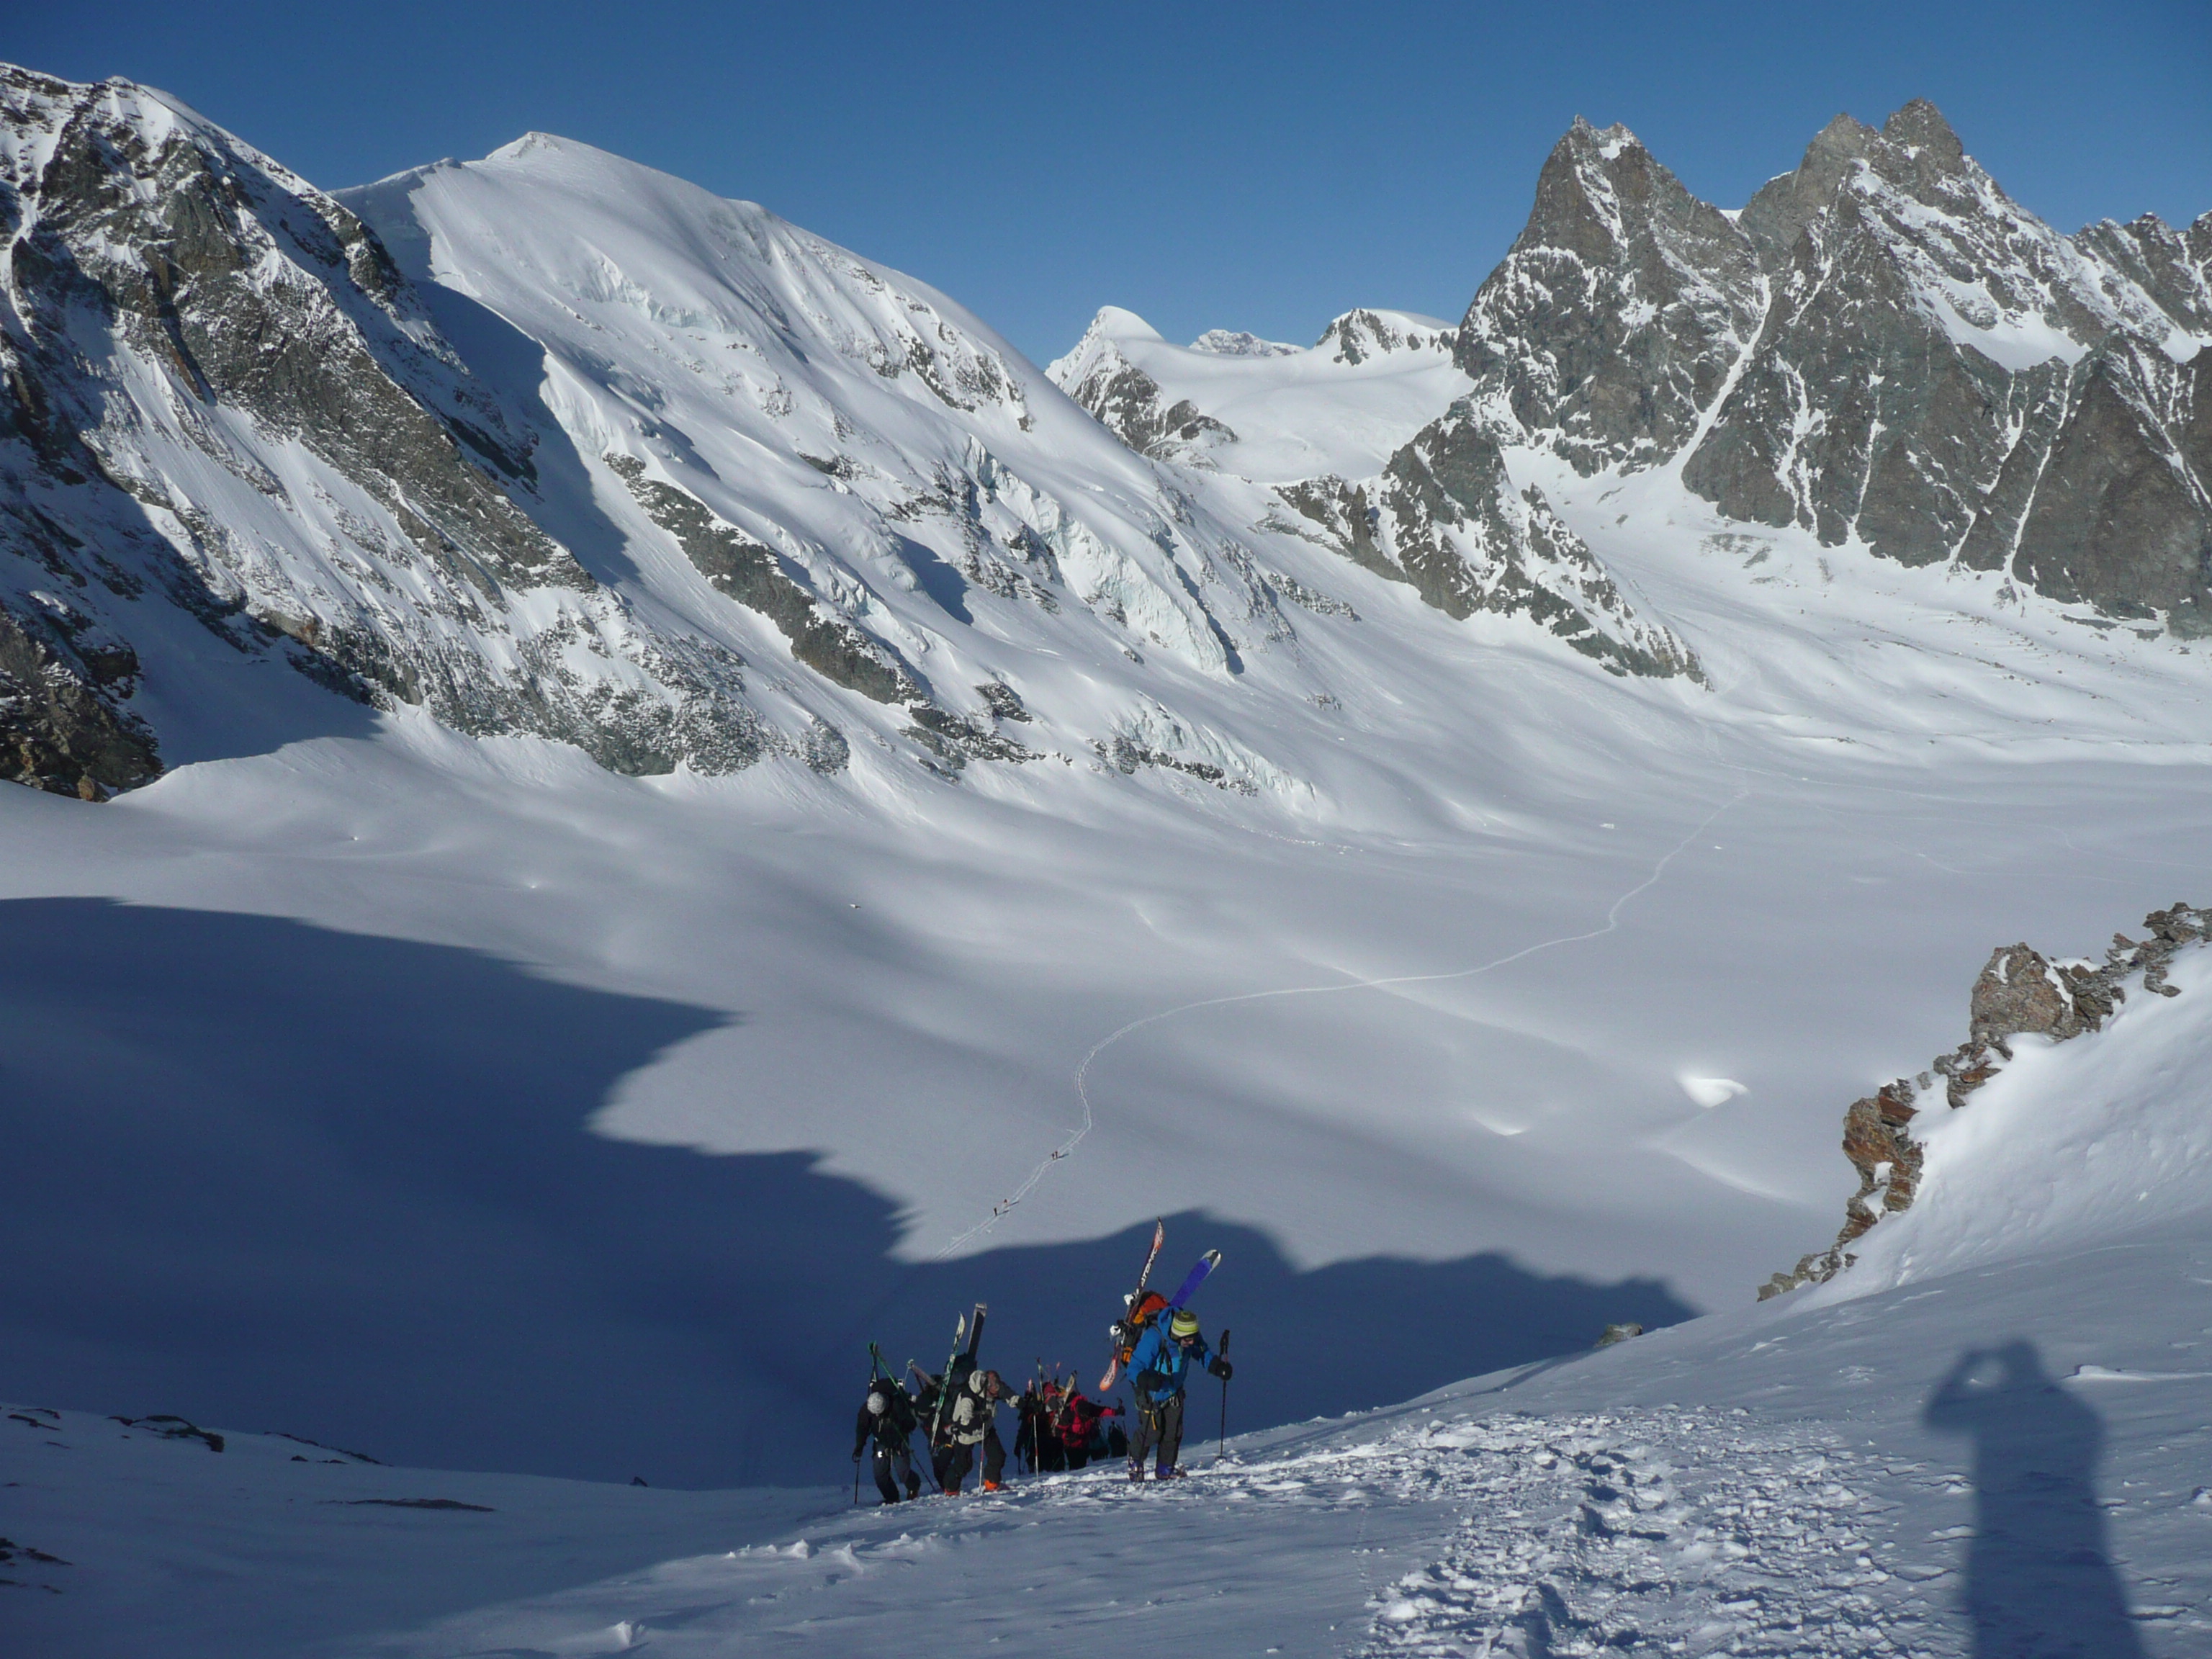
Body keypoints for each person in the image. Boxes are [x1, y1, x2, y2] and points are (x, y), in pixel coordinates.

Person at [1123, 1308, 1230, 1481]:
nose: (1192, 1342)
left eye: (1194, 1337)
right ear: (1177, 1334)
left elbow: (1203, 1353)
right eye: (1188, 1339)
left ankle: (1165, 1468)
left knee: (1173, 1432)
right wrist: (1147, 1380)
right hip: (1151, 1393)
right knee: (1151, 1432)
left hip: (1173, 1391)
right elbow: (1134, 1368)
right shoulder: (1155, 1337)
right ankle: (1135, 1461)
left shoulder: (1189, 1337)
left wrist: (1218, 1368)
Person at [938, 1366, 1010, 1494]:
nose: (996, 1389)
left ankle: (992, 1484)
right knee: (963, 1465)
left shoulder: (992, 1390)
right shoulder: (968, 1396)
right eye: (993, 1386)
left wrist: (1022, 1403)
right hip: (965, 1434)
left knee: (997, 1456)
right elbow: (965, 1423)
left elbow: (1007, 1394)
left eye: (996, 1385)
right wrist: (980, 1418)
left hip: (985, 1429)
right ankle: (951, 1489)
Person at [852, 1372, 922, 1503]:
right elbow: (862, 1428)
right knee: (880, 1475)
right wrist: (859, 1446)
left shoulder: (897, 1405)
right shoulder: (866, 1410)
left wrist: (902, 1427)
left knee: (903, 1472)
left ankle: (914, 1487)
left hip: (899, 1440)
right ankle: (892, 1498)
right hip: (881, 1442)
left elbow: (911, 1423)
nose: (878, 1415)